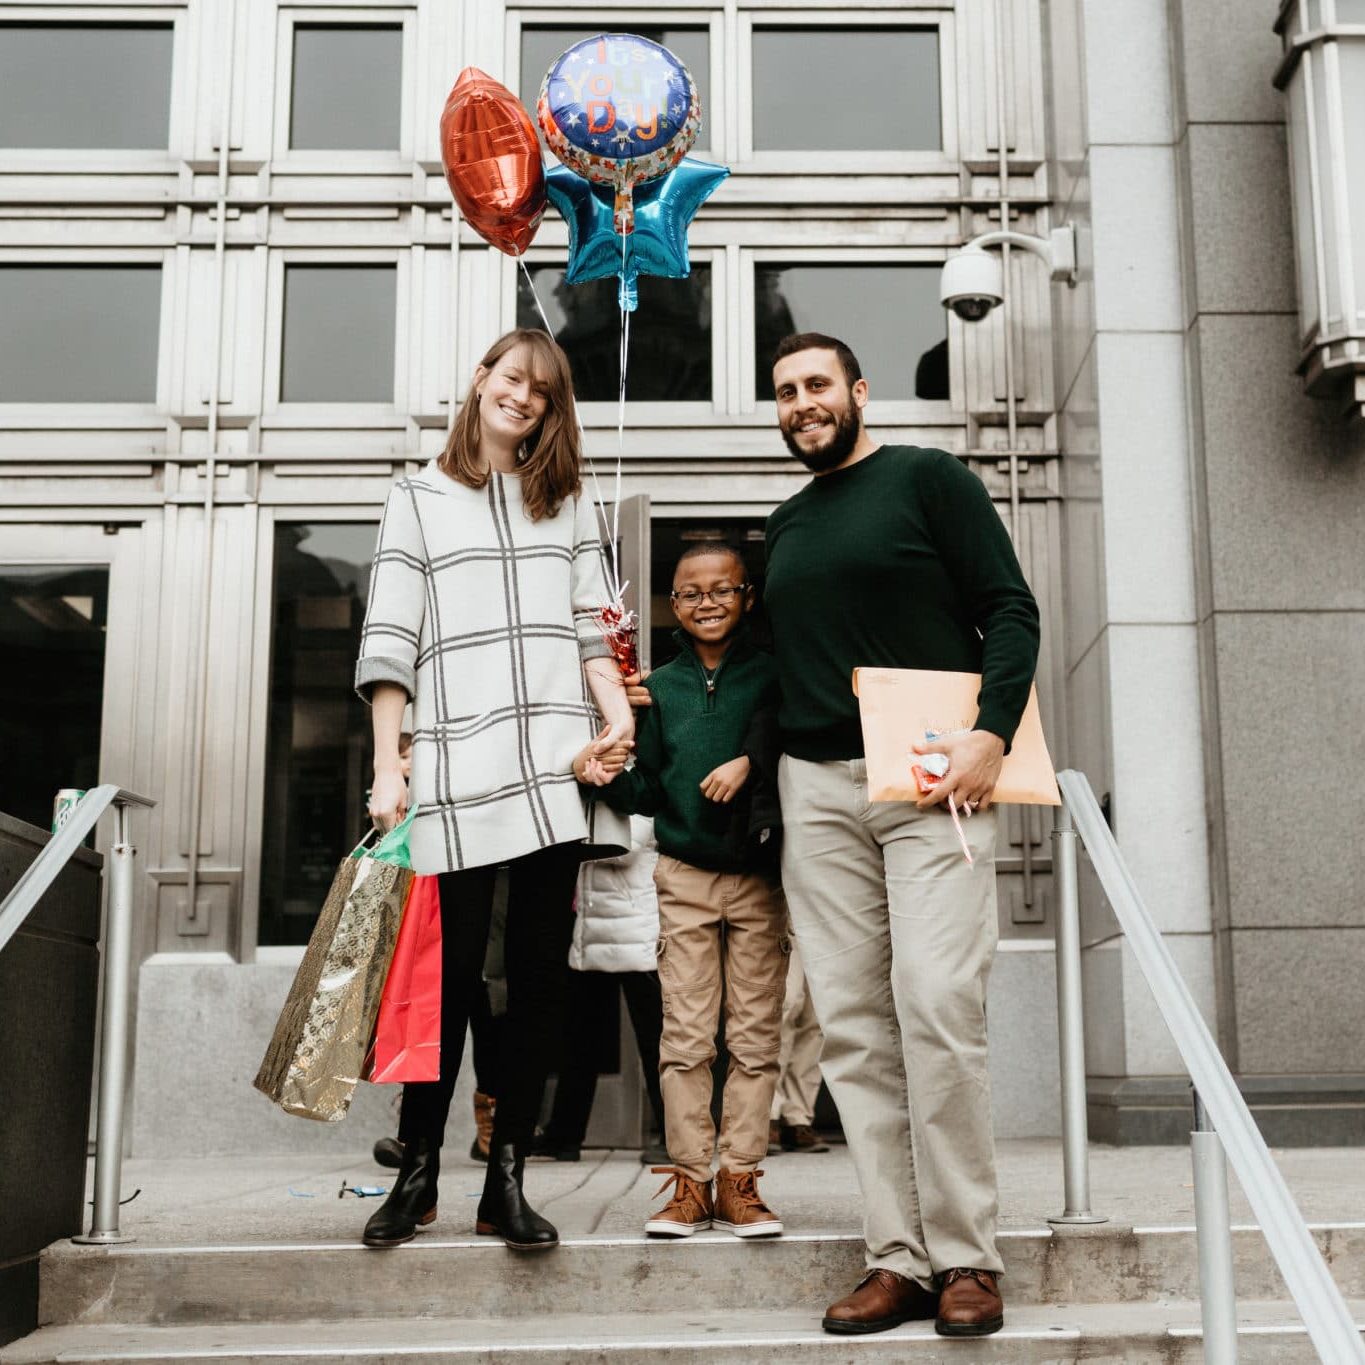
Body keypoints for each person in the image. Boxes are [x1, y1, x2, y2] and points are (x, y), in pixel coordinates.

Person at [764, 333, 1041, 1337]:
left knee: (934, 1004)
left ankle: (968, 1258)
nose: (802, 403)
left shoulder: (929, 480)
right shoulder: (785, 524)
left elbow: (1010, 609)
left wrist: (992, 735)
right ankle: (899, 1259)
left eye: (817, 385)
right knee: (852, 1030)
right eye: (786, 392)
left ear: (858, 392)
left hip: (928, 778)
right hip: (815, 790)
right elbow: (769, 667)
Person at [355, 328, 632, 1252]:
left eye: (543, 392)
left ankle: (505, 1174)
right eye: (513, 379)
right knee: (449, 977)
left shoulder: (571, 503)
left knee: (543, 984)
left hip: (553, 771)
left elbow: (594, 631)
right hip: (449, 773)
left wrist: (613, 723)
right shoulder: (417, 497)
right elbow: (390, 637)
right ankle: (422, 1169)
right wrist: (389, 765)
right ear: (480, 381)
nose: (524, 398)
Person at [576, 543, 787, 1239]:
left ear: (746, 595)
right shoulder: (657, 686)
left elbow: (798, 747)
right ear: (672, 602)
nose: (706, 602)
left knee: (754, 1036)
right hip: (682, 874)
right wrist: (608, 762)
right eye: (690, 592)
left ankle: (740, 1179)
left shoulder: (775, 676)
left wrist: (750, 763)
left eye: (721, 589)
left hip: (760, 878)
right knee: (686, 1037)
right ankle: (691, 1181)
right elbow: (645, 788)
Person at [373, 733, 502, 1170]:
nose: (408, 761)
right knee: (432, 1010)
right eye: (404, 755)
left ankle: (492, 1129)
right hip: (427, 916)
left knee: (489, 1012)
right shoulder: (400, 799)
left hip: (488, 907)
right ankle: (415, 1139)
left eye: (410, 754)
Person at [530, 816, 668, 1165]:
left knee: (656, 1041)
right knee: (580, 1041)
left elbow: (623, 849)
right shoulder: (590, 793)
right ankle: (563, 1136)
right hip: (593, 931)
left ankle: (674, 1134)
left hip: (637, 932)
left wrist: (567, 841)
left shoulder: (636, 785)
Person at [767, 938, 829, 1154]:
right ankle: (768, 1113)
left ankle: (797, 1116)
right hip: (788, 912)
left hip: (832, 914)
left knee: (818, 1015)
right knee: (785, 1002)